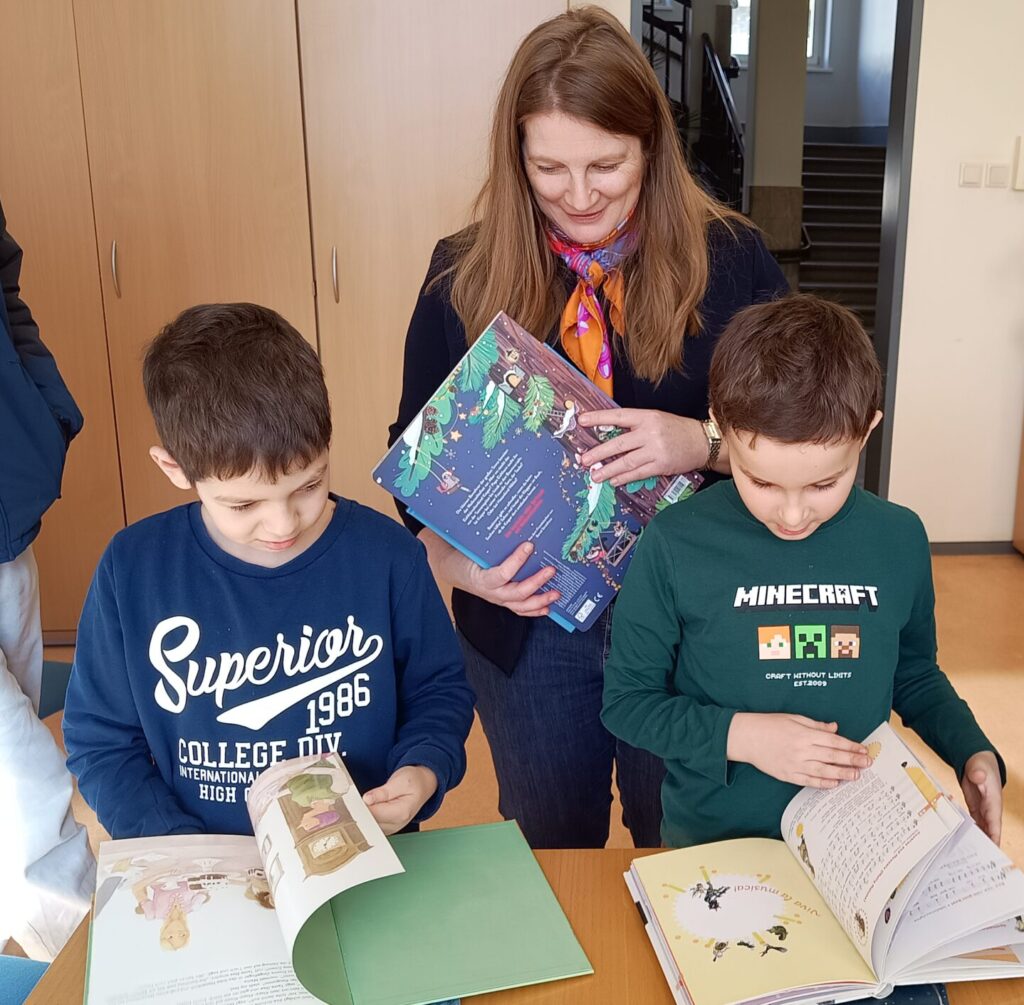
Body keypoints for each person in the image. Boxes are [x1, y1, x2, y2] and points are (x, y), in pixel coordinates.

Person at [389, 6, 788, 848]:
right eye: (549, 169)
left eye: (607, 165)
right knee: (546, 846)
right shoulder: (460, 274)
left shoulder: (733, 261)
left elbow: (799, 436)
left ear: (652, 146)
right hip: (526, 628)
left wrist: (702, 443)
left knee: (677, 842)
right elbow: (417, 464)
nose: (578, 196)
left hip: (685, 624)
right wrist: (459, 565)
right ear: (517, 157)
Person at [601, 294, 1004, 849]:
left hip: (856, 844)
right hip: (718, 840)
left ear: (867, 432)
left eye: (823, 485)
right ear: (721, 429)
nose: (792, 515)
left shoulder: (899, 537)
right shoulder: (674, 542)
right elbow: (629, 703)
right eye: (761, 481)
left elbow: (912, 673)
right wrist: (743, 735)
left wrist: (971, 749)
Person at [64, 304, 474, 839]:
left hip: (364, 852)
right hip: (203, 869)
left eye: (309, 484)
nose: (283, 523)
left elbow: (438, 689)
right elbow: (102, 742)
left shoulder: (388, 556)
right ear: (175, 469)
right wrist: (175, 845)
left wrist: (424, 769)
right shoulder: (133, 569)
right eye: (242, 505)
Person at [0, 197, 94, 959]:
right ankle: (71, 935)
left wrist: (42, 408)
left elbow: (4, 284)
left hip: (5, 515)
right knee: (20, 756)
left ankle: (26, 934)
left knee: (17, 721)